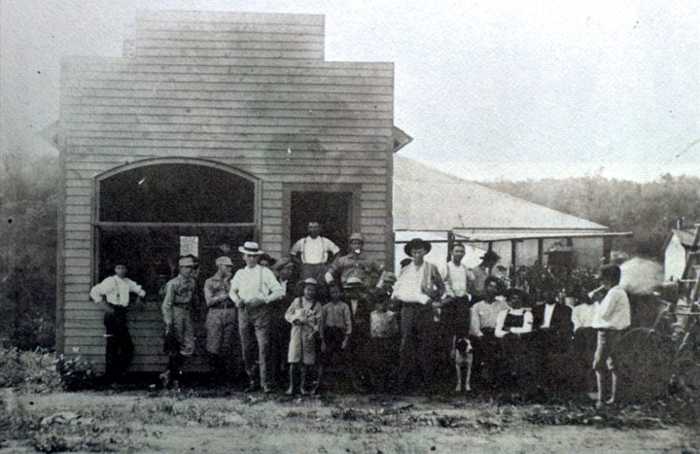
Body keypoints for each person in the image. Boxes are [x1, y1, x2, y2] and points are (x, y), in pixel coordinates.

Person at [229, 241, 285, 393]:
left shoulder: (265, 272)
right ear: (244, 257)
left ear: (258, 257)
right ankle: (252, 380)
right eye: (249, 256)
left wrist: (264, 299)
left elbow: (279, 291)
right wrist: (237, 300)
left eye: (254, 256)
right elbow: (232, 291)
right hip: (244, 311)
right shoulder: (240, 273)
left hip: (261, 312)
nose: (251, 259)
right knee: (247, 348)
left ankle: (265, 383)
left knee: (263, 347)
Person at [392, 238, 445, 392]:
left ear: (425, 251)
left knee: (425, 344)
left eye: (420, 250)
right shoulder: (405, 269)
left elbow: (441, 289)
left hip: (424, 310)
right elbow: (398, 289)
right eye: (414, 251)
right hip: (408, 309)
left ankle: (426, 384)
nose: (417, 253)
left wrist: (432, 294)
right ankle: (403, 384)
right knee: (406, 343)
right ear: (411, 253)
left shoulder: (431, 268)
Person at [89, 262, 146, 384]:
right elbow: (94, 292)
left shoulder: (127, 282)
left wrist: (139, 298)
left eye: (123, 267)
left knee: (127, 347)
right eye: (118, 267)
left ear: (126, 269)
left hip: (122, 314)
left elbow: (141, 291)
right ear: (115, 269)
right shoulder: (110, 281)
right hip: (112, 314)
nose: (121, 270)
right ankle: (110, 377)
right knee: (112, 345)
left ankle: (117, 373)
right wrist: (106, 308)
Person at [590, 264, 631, 408]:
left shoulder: (614, 293)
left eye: (602, 280)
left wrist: (596, 299)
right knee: (614, 365)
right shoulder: (619, 292)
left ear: (609, 279)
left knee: (598, 365)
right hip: (615, 333)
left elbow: (604, 314)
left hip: (607, 333)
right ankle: (615, 399)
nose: (601, 283)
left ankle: (601, 400)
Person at [160, 255, 198, 389]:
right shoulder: (173, 283)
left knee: (189, 346)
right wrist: (168, 322)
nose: (189, 270)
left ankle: (168, 372)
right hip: (176, 312)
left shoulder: (192, 282)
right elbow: (166, 305)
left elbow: (194, 299)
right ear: (180, 268)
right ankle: (174, 378)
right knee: (175, 346)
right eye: (187, 267)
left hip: (186, 313)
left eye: (191, 267)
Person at [532, 281, 574, 392]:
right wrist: (540, 329)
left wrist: (552, 329)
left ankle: (554, 385)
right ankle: (539, 386)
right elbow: (533, 325)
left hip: (556, 338)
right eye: (545, 292)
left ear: (555, 293)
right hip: (540, 337)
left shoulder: (565, 309)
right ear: (542, 294)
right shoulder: (536, 309)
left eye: (551, 292)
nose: (548, 294)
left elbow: (565, 327)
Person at [285, 278, 323, 395]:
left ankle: (303, 387)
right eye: (308, 289)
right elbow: (287, 314)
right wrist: (294, 319)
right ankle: (292, 387)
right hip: (296, 332)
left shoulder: (317, 305)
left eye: (312, 290)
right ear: (303, 290)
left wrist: (314, 332)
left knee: (306, 362)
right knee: (293, 359)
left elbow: (319, 322)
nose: (310, 292)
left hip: (308, 334)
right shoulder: (297, 301)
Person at [469, 276, 509, 387]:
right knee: (487, 347)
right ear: (485, 288)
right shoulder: (477, 306)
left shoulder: (503, 305)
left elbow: (507, 321)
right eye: (490, 286)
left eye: (495, 287)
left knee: (501, 347)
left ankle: (497, 379)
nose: (492, 289)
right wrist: (481, 336)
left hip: (498, 333)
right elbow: (475, 327)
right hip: (482, 335)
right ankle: (487, 379)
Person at [442, 243, 477, 367]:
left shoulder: (465, 268)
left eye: (461, 251)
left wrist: (467, 293)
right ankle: (448, 363)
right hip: (451, 302)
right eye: (457, 251)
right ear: (452, 252)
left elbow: (472, 282)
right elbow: (442, 283)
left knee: (462, 332)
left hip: (462, 302)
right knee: (449, 333)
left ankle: (462, 362)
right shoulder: (446, 267)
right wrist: (450, 295)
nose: (459, 254)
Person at [203, 256, 237, 385]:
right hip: (215, 313)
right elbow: (209, 301)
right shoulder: (210, 281)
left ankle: (225, 377)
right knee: (213, 345)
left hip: (230, 311)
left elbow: (236, 297)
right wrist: (223, 296)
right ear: (219, 266)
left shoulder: (232, 281)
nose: (229, 269)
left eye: (230, 267)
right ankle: (214, 377)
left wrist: (228, 284)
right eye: (227, 266)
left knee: (227, 344)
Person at [495, 288, 535, 388]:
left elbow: (527, 329)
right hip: (505, 343)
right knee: (508, 341)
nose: (515, 301)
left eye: (518, 298)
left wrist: (511, 329)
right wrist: (510, 334)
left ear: (522, 300)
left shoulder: (527, 314)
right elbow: (497, 332)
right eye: (513, 298)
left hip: (521, 343)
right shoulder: (503, 313)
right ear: (509, 300)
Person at [270, 256, 298, 387]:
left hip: (289, 322)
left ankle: (288, 380)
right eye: (287, 269)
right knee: (274, 350)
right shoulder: (272, 283)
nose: (290, 272)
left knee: (288, 350)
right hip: (275, 321)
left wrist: (282, 298)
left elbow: (294, 301)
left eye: (291, 270)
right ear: (280, 270)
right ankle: (275, 380)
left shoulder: (294, 285)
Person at [318, 284, 352, 393]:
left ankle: (343, 386)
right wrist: (322, 341)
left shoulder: (344, 306)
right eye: (332, 292)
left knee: (342, 359)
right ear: (329, 294)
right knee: (326, 359)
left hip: (340, 334)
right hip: (329, 335)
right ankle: (322, 385)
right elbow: (321, 325)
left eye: (337, 292)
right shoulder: (325, 307)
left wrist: (346, 339)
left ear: (340, 293)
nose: (335, 294)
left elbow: (348, 322)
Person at [344, 276, 374, 391]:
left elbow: (368, 319)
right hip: (347, 335)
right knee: (348, 358)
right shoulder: (344, 302)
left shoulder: (364, 302)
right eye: (351, 289)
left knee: (361, 359)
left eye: (356, 289)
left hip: (361, 336)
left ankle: (362, 384)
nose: (353, 292)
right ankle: (351, 384)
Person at [369, 293, 399, 392]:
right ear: (375, 305)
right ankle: (376, 386)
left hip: (387, 341)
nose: (381, 306)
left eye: (384, 303)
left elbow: (395, 329)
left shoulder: (391, 315)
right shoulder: (372, 314)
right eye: (379, 303)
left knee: (387, 363)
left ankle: (387, 386)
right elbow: (371, 328)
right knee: (376, 363)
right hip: (375, 341)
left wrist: (389, 334)